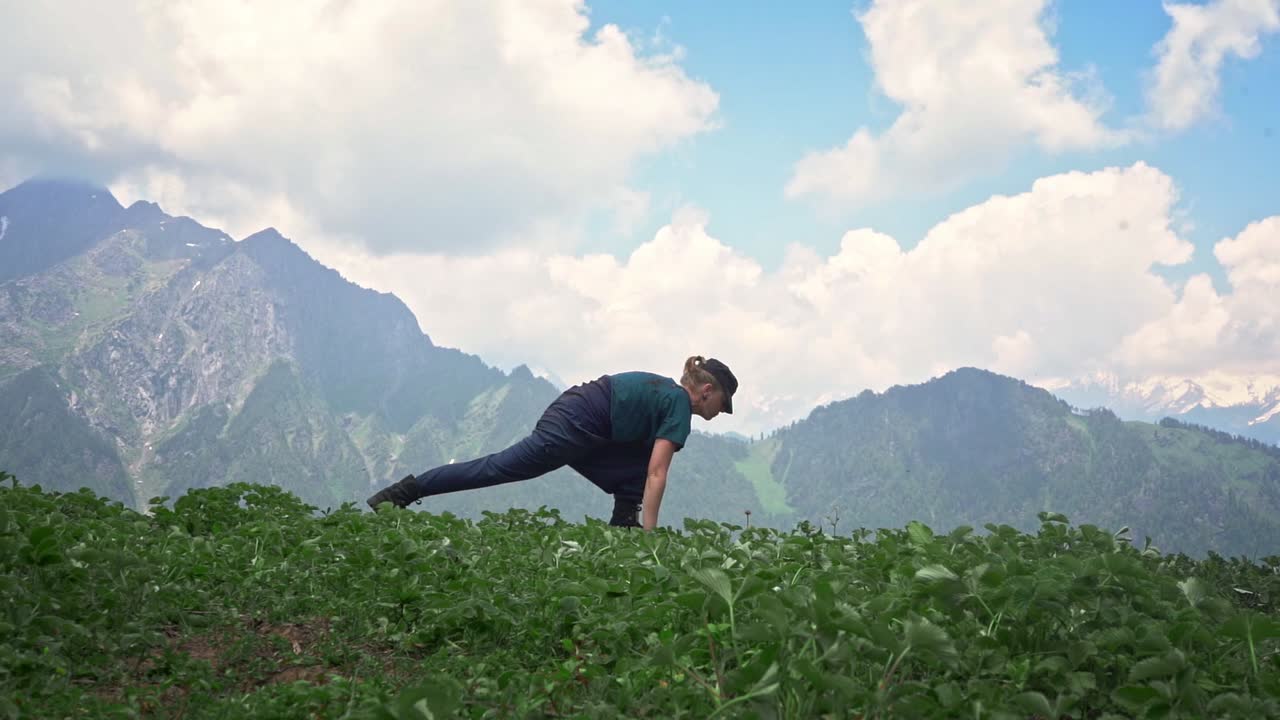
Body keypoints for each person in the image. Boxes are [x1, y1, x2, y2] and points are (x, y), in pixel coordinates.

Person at [366, 355, 738, 530]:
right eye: (723, 404)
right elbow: (658, 473)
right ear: (707, 390)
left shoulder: (667, 394)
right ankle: (402, 492)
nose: (721, 412)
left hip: (582, 419)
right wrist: (652, 536)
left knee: (636, 463)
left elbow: (646, 464)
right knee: (499, 468)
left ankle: (623, 526)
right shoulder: (678, 404)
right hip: (576, 425)